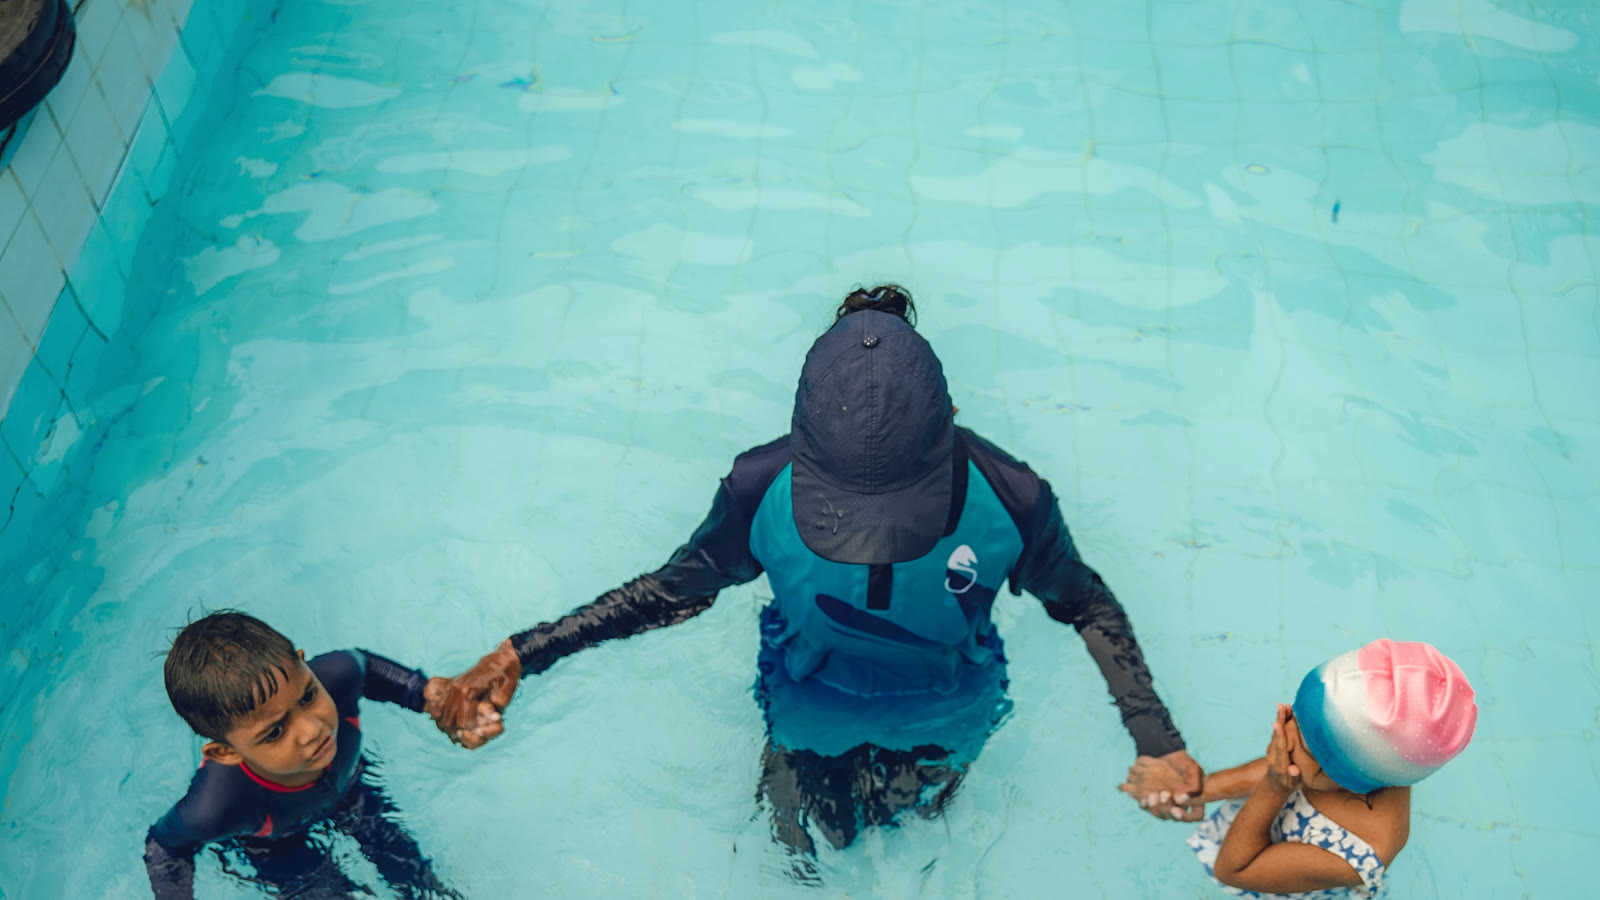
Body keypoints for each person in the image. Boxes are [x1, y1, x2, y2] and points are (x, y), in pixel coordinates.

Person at [434, 285, 1200, 857]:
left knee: (920, 844)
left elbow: (1086, 605)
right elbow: (672, 594)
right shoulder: (755, 489)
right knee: (801, 854)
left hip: (947, 707)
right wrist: (521, 654)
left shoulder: (1013, 497)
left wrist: (1155, 737)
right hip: (807, 700)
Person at [143, 611, 496, 899]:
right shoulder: (217, 805)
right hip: (277, 844)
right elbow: (165, 847)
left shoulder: (337, 677)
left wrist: (426, 695)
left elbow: (366, 667)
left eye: (308, 696)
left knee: (417, 880)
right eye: (276, 731)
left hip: (352, 791)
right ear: (226, 752)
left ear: (305, 666)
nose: (313, 729)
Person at [1121, 639, 1477, 898]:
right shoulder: (1381, 753)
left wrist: (1276, 786)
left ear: (1342, 777)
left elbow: (1235, 869)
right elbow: (1279, 765)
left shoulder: (1363, 851)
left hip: (1284, 877)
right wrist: (1191, 791)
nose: (1283, 734)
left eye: (1299, 743)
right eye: (1293, 716)